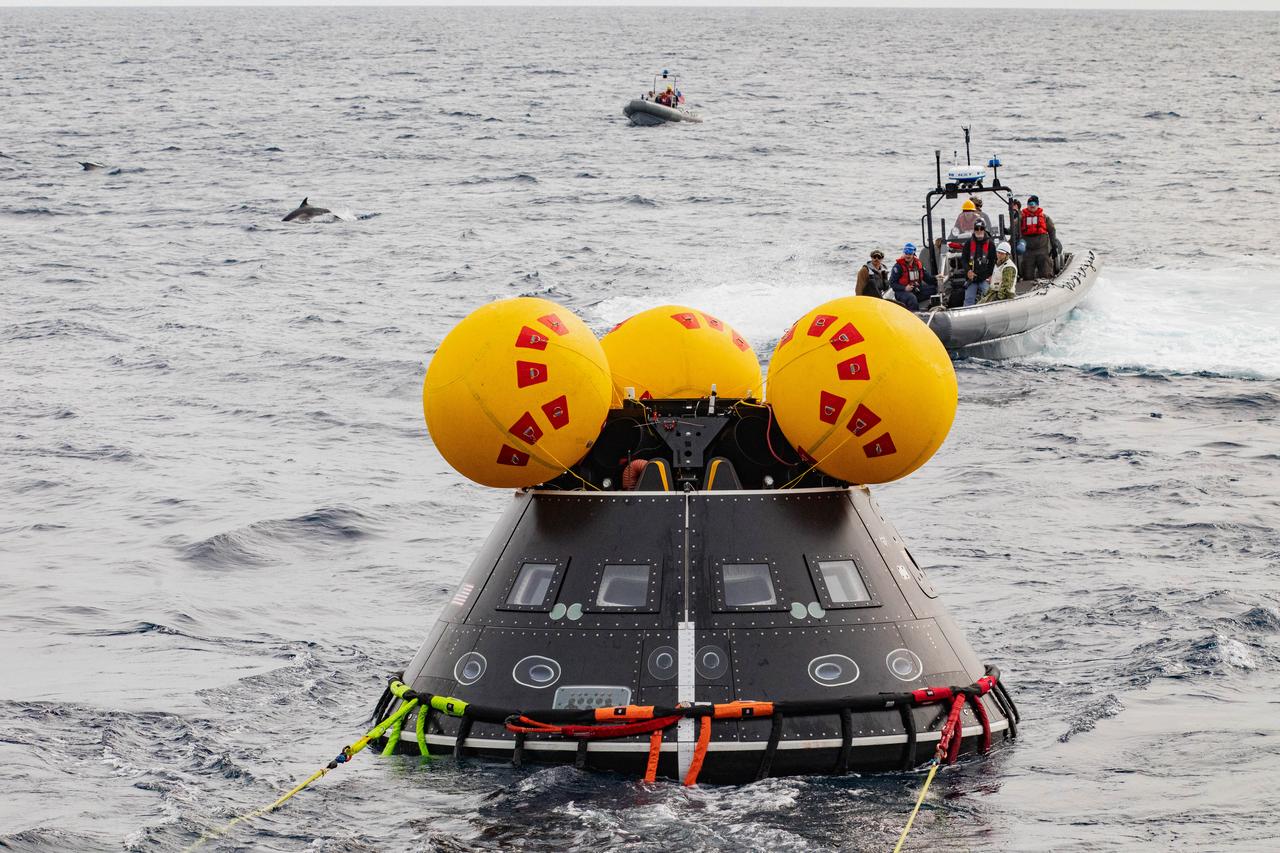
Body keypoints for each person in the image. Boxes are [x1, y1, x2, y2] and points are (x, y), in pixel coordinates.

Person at [1019, 194, 1058, 279]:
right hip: (1028, 251)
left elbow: (1052, 231)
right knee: (1027, 275)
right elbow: (1014, 228)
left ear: (1037, 205)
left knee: (1046, 272)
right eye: (1030, 204)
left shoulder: (1045, 217)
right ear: (1027, 205)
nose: (1032, 206)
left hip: (1042, 250)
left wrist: (1054, 246)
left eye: (1034, 204)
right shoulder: (1021, 217)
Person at [959, 221, 998, 306]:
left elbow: (993, 261)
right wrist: (968, 271)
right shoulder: (968, 243)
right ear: (974, 229)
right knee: (968, 299)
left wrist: (991, 275)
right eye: (977, 228)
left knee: (989, 296)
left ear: (984, 230)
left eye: (981, 229)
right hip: (971, 279)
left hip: (985, 277)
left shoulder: (990, 244)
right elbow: (964, 259)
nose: (979, 231)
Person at [889, 243, 937, 311]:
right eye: (906, 253)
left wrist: (936, 278)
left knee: (934, 289)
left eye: (910, 254)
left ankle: (932, 308)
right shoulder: (898, 267)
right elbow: (892, 283)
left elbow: (928, 278)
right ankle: (915, 314)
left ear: (913, 254)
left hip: (916, 290)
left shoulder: (918, 264)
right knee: (912, 298)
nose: (908, 256)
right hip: (902, 292)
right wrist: (905, 288)